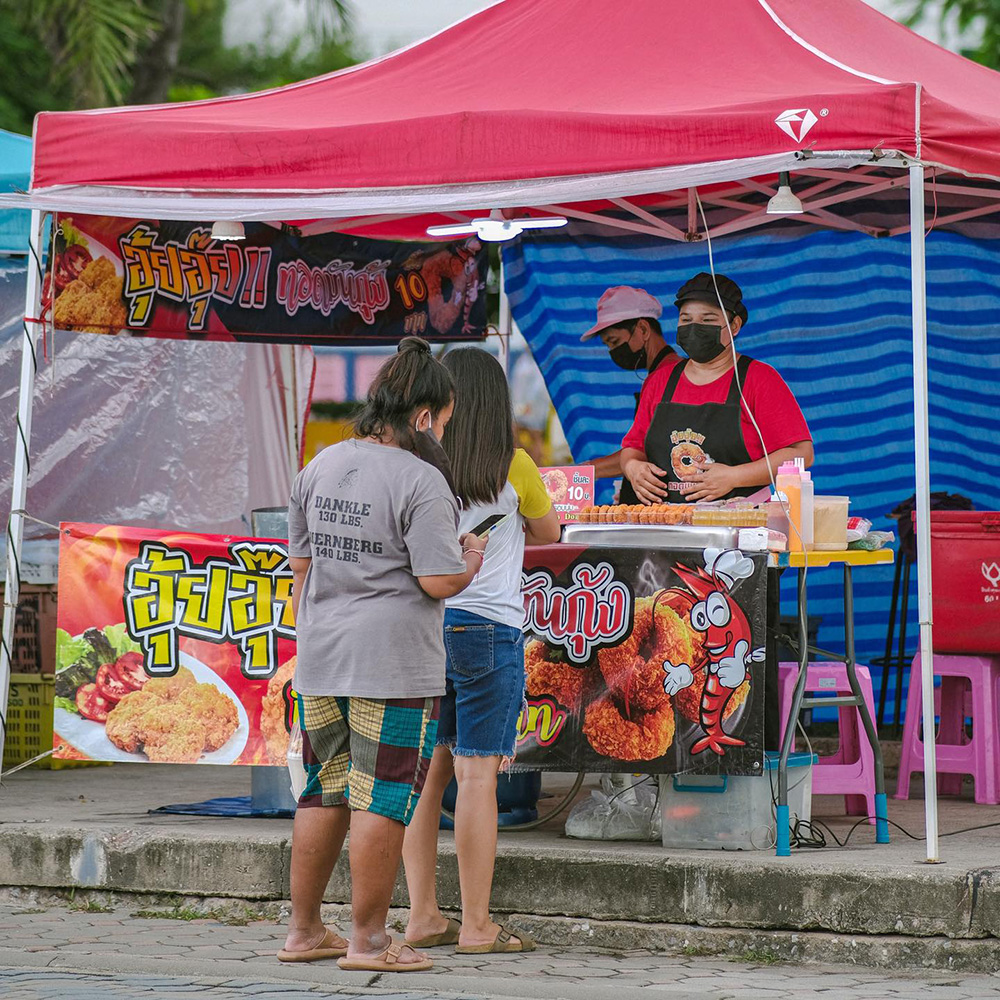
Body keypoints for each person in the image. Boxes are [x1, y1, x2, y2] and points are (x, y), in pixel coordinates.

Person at [279, 337, 488, 974]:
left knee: (323, 792)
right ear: (422, 416)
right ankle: (369, 942)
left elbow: (301, 569)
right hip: (392, 665)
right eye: (443, 423)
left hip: (321, 658)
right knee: (383, 797)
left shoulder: (321, 464)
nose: (443, 435)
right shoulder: (422, 480)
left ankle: (303, 932)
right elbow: (437, 581)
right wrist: (470, 561)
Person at [402, 347, 560, 955]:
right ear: (497, 404)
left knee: (424, 777)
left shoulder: (419, 466)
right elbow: (549, 532)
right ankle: (475, 926)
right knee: (476, 778)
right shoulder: (514, 465)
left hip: (427, 628)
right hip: (489, 632)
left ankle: (421, 916)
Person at [620, 272, 813, 505]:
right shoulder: (659, 381)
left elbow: (801, 453)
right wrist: (633, 468)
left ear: (734, 326)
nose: (694, 328)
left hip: (743, 519)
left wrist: (735, 476)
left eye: (708, 320)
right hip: (666, 519)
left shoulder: (759, 379)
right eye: (686, 319)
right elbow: (633, 448)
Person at [579, 286, 677, 503]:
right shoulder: (659, 375)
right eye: (608, 345)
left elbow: (647, 451)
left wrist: (584, 471)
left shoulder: (668, 376)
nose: (613, 351)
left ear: (643, 329)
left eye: (614, 342)